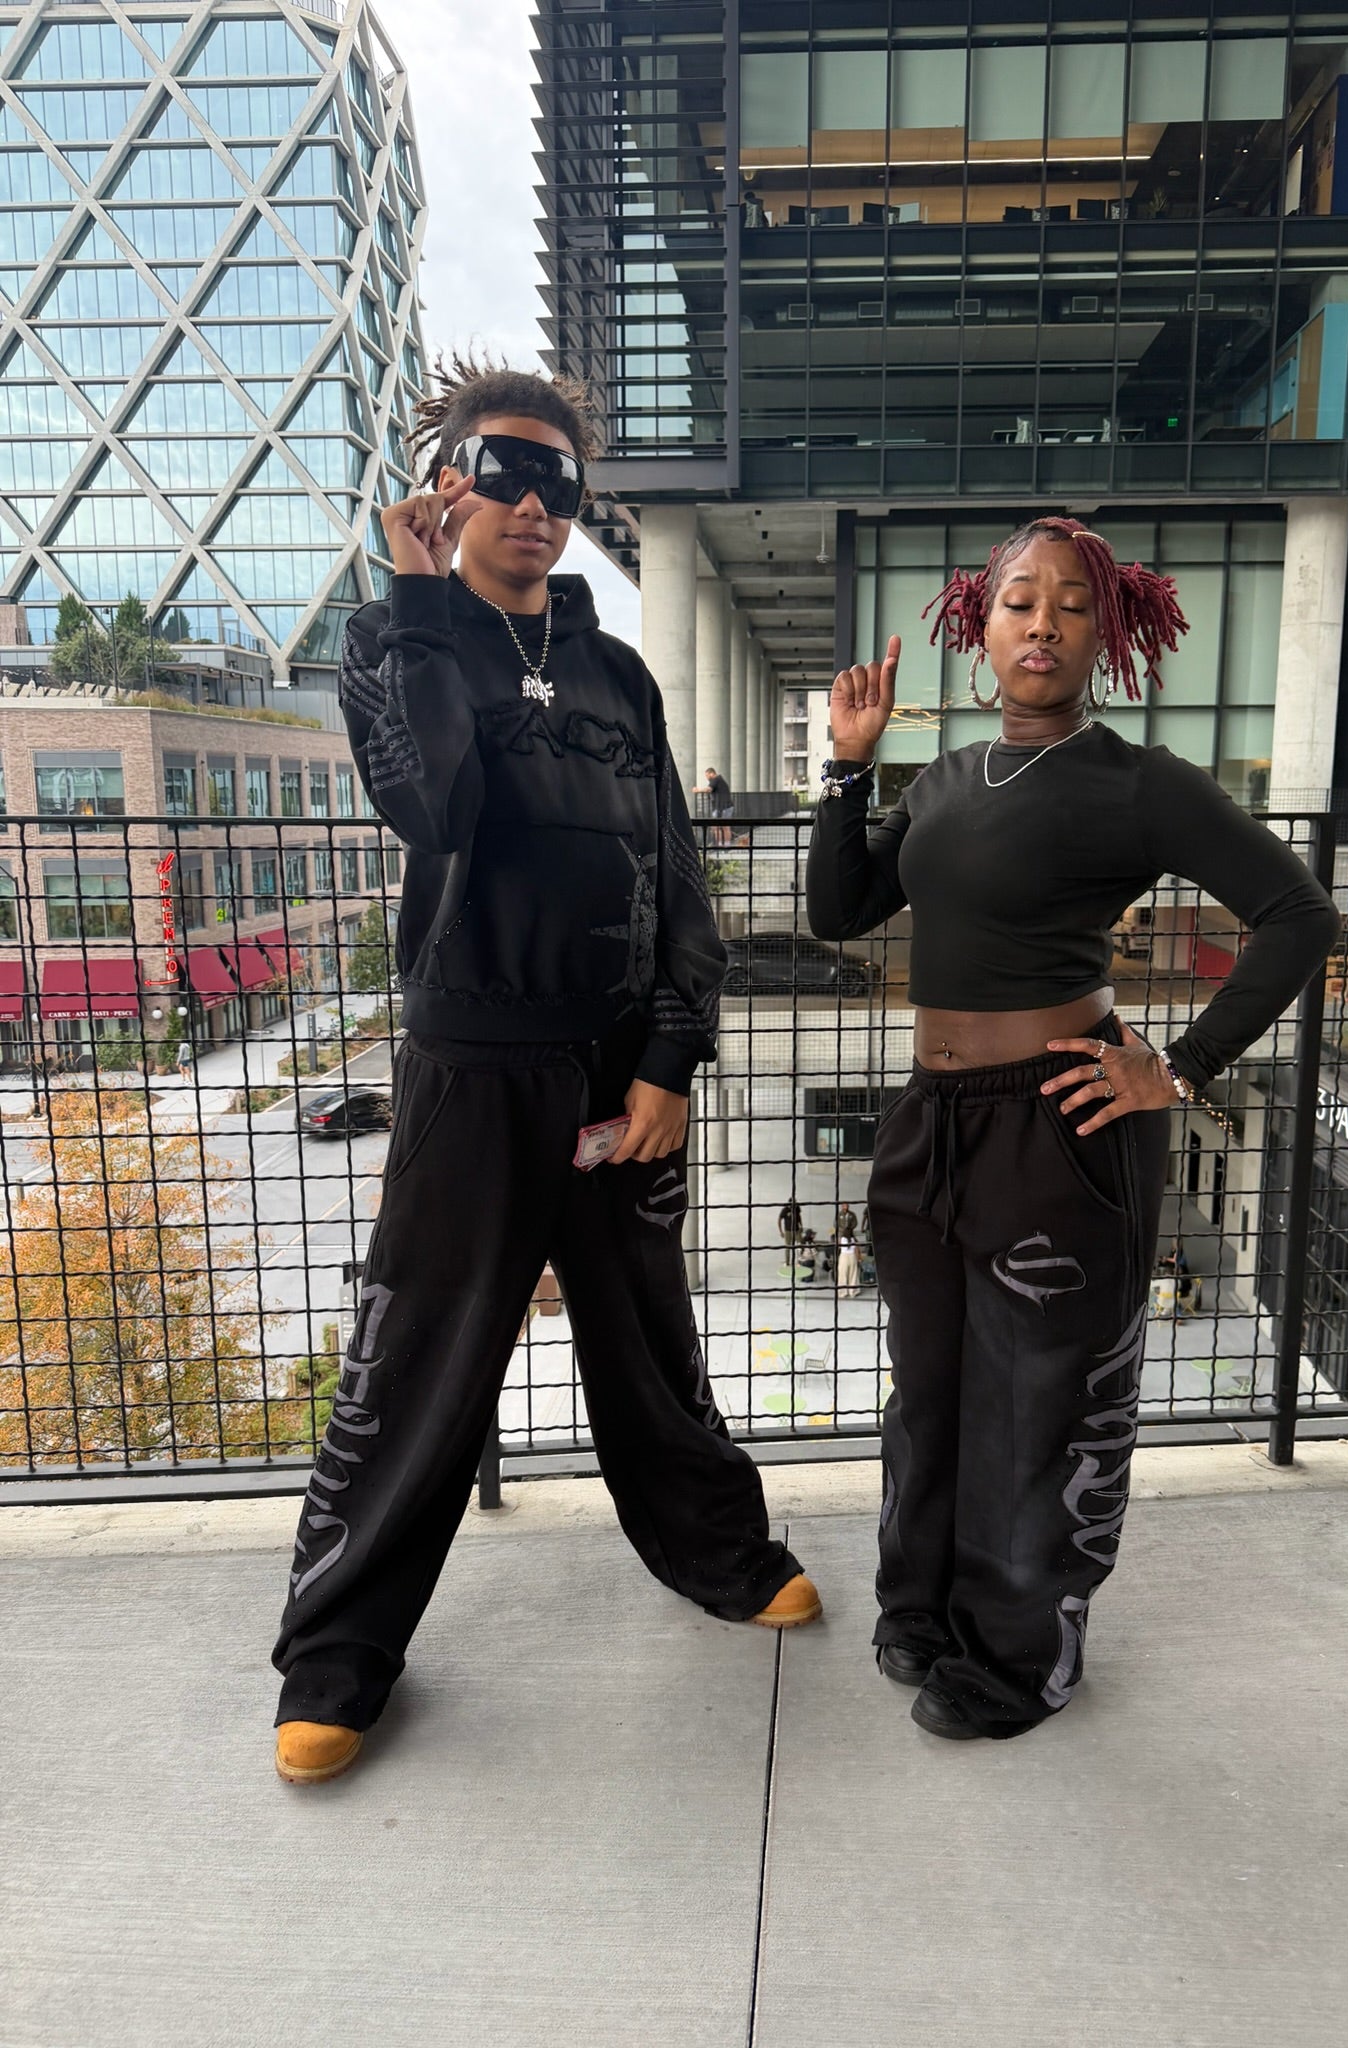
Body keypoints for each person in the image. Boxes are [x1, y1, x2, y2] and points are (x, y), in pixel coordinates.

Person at [270, 357, 821, 1788]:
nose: (532, 502)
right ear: (449, 485)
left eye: (558, 479)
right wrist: (418, 606)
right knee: (420, 1355)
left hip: (615, 1071)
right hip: (471, 1067)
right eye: (502, 472)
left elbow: (677, 878)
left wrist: (670, 1060)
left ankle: (718, 1548)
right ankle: (338, 1650)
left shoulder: (618, 675)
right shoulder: (397, 641)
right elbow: (433, 805)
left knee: (648, 1335)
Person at [806, 515, 1340, 1742]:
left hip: (1060, 1119)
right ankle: (925, 1607)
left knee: (1040, 1400)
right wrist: (848, 765)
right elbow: (839, 909)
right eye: (1018, 602)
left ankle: (1023, 1654)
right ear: (980, 627)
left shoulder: (1138, 781)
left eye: (1071, 605)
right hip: (931, 1120)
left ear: (1109, 632)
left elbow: (1298, 914)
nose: (1041, 623)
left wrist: (1181, 1067)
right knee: (929, 1388)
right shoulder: (945, 779)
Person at [836, 1223, 861, 1300]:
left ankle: (843, 1292)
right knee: (853, 1275)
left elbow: (838, 1247)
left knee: (842, 1275)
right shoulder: (854, 1239)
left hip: (844, 1257)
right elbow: (856, 1250)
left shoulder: (841, 1239)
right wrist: (858, 1259)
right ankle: (852, 1291)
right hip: (852, 1257)